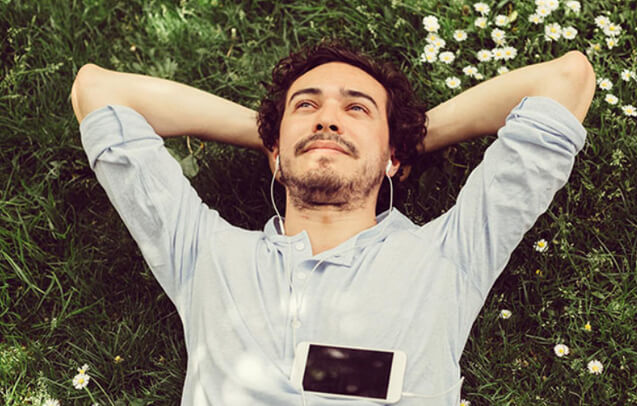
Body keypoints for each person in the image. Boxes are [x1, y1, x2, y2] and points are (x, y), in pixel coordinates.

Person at [71, 41, 595, 405]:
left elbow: (565, 80)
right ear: (274, 151)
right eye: (307, 106)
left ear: (393, 156)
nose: (327, 118)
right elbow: (96, 91)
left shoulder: (450, 255)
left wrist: (406, 139)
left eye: (357, 109)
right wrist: (273, 137)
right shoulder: (204, 253)